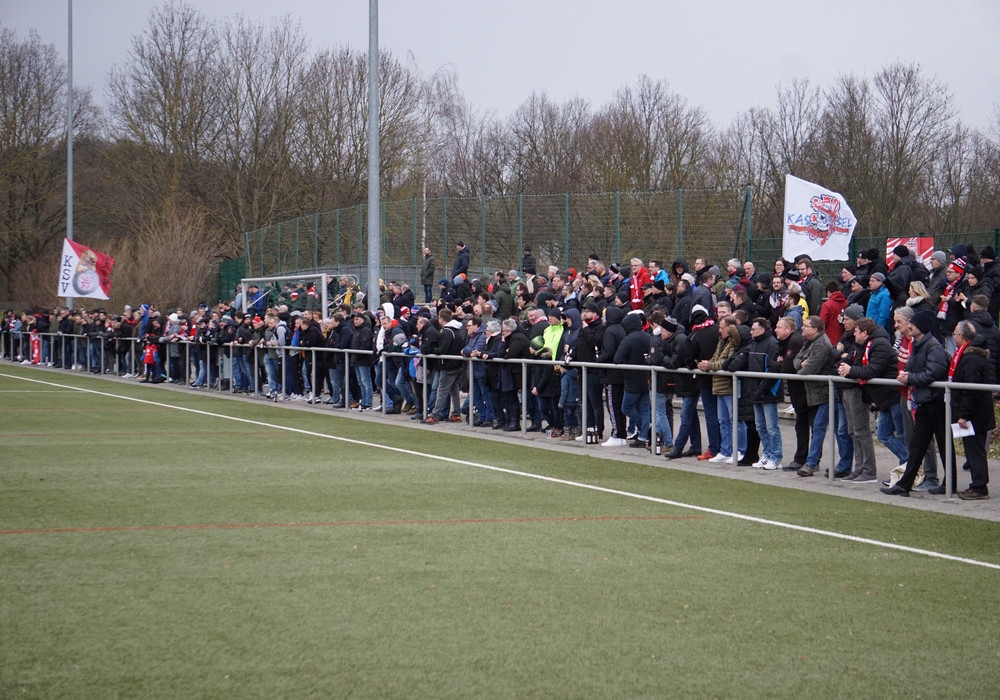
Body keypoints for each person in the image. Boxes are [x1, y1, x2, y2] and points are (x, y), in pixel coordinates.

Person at [881, 310, 951, 497]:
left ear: (922, 327)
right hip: (924, 402)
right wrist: (907, 375)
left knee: (944, 445)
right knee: (917, 445)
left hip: (936, 403)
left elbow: (933, 373)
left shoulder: (933, 347)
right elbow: (913, 368)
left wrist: (910, 377)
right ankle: (905, 485)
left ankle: (948, 482)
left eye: (913, 323)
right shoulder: (920, 345)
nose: (909, 326)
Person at [837, 317, 896, 483]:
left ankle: (869, 471)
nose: (853, 334)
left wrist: (850, 370)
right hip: (852, 391)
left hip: (865, 393)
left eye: (856, 331)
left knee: (861, 431)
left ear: (864, 332)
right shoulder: (862, 345)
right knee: (853, 431)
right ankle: (859, 468)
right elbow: (849, 361)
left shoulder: (878, 344)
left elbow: (871, 370)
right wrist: (844, 366)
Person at [947, 321, 994, 499]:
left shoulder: (971, 359)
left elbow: (970, 390)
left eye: (955, 334)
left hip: (973, 415)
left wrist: (964, 416)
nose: (953, 336)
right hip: (973, 413)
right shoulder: (968, 355)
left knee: (975, 451)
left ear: (963, 337)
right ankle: (977, 484)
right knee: (972, 449)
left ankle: (980, 487)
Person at [793, 316, 838, 477]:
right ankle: (813, 463)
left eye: (805, 326)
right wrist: (802, 363)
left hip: (826, 393)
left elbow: (807, 371)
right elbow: (796, 360)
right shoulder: (810, 341)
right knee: (821, 428)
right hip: (817, 393)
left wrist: (802, 364)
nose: (802, 328)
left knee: (821, 427)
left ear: (815, 329)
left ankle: (812, 463)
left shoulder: (821, 344)